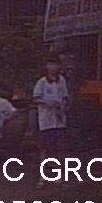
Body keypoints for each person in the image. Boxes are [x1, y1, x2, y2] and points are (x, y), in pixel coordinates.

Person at [32, 56, 70, 188]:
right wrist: (47, 103)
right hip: (46, 121)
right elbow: (35, 98)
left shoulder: (61, 81)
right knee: (45, 149)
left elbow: (65, 97)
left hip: (59, 120)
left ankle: (58, 175)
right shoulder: (42, 82)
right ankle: (42, 176)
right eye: (51, 64)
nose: (53, 67)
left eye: (55, 64)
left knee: (59, 149)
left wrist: (62, 106)